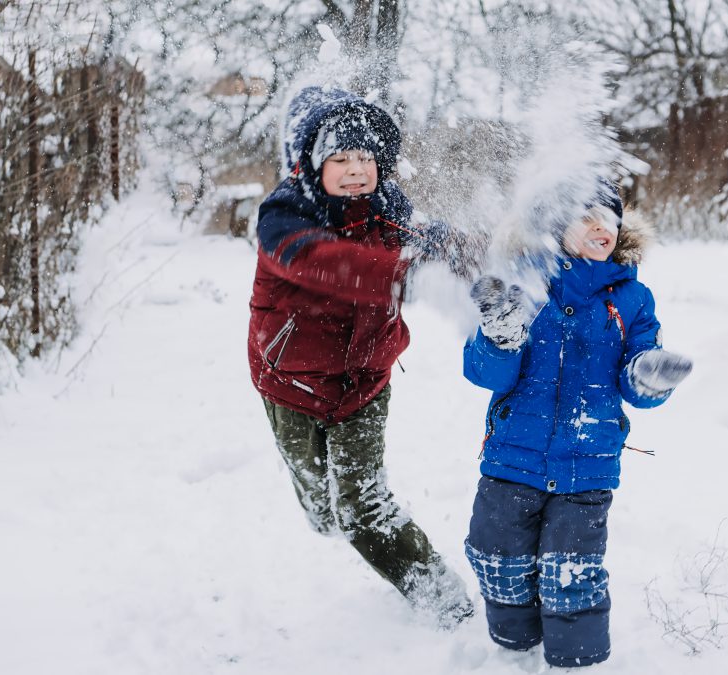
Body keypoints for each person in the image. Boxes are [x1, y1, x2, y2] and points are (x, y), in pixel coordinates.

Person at [247, 86, 477, 628]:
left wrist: (476, 253)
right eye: (340, 158)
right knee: (324, 509)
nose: (356, 170)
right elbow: (329, 263)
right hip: (292, 387)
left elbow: (436, 242)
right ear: (311, 164)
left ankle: (445, 602)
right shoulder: (284, 222)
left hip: (363, 387)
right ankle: (325, 510)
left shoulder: (393, 216)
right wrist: (401, 273)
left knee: (362, 508)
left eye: (367, 158)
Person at [461, 181, 692, 666]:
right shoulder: (522, 285)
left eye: (607, 219)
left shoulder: (632, 299)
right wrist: (498, 338)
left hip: (586, 465)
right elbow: (486, 373)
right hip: (512, 458)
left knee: (572, 572)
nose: (599, 227)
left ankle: (576, 662)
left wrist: (648, 376)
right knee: (497, 557)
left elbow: (636, 373)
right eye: (585, 216)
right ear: (553, 227)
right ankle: (515, 652)